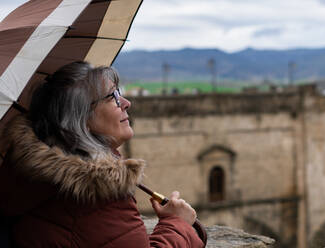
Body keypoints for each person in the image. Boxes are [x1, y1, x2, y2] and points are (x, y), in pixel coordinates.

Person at [0, 61, 204, 247]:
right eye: (112, 96)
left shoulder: (26, 170)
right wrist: (177, 223)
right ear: (81, 119)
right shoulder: (95, 194)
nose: (125, 102)